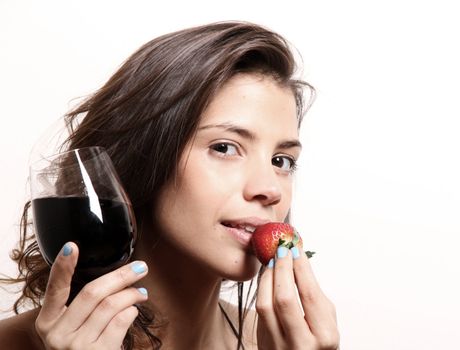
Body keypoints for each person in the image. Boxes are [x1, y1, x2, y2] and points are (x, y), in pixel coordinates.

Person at [0, 21, 339, 349]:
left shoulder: (289, 344)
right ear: (144, 156)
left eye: (281, 161)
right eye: (224, 147)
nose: (271, 189)